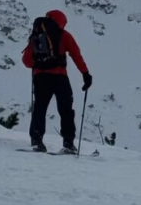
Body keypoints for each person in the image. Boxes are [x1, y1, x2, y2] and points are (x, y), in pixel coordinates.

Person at [22, 9, 92, 152]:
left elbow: (26, 61)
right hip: (60, 77)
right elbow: (76, 55)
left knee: (40, 108)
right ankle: (68, 142)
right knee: (66, 110)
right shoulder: (65, 35)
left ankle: (36, 140)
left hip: (41, 78)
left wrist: (39, 64)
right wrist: (85, 74)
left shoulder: (36, 36)